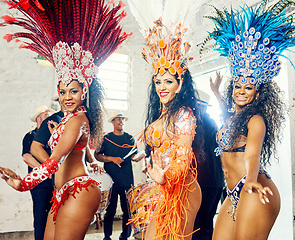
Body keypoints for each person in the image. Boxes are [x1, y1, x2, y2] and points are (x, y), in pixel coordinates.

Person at [0, 0, 131, 239]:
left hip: (79, 190)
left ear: (84, 92)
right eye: (63, 91)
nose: (67, 97)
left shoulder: (79, 120)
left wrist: (23, 183)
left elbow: (55, 162)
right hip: (61, 192)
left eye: (74, 91)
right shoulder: (67, 120)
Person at [202, 2, 295, 239]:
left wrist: (251, 181)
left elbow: (252, 154)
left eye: (249, 87)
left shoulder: (256, 121)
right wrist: (216, 94)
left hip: (254, 188)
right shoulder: (233, 118)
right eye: (238, 86)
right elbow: (226, 118)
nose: (241, 91)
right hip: (233, 193)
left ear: (258, 93)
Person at [128, 16, 203, 239]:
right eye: (158, 81)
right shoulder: (160, 115)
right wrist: (148, 161)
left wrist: (166, 176)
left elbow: (182, 154)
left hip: (183, 189)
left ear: (179, 84)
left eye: (168, 81)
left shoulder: (183, 114)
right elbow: (162, 146)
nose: (162, 87)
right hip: (164, 188)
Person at [94, 111, 142, 240]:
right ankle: (107, 236)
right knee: (110, 210)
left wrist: (137, 158)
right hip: (111, 180)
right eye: (118, 119)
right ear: (113, 122)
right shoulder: (106, 139)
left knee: (128, 210)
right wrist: (111, 158)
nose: (121, 121)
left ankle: (124, 236)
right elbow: (97, 155)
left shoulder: (130, 138)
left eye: (122, 119)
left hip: (127, 180)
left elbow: (133, 156)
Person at [191, 91, 225, 240]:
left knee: (199, 224)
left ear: (199, 106)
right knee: (207, 222)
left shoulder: (196, 125)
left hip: (203, 181)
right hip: (216, 181)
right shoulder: (212, 123)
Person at [22, 105, 52, 240]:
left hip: (55, 184)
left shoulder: (53, 138)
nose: (50, 119)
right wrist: (47, 171)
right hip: (40, 186)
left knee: (54, 218)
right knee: (40, 219)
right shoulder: (30, 136)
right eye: (47, 116)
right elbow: (27, 158)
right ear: (39, 118)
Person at [31, 97, 64, 164]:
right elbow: (33, 150)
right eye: (45, 115)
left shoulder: (75, 119)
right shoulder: (54, 120)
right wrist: (52, 168)